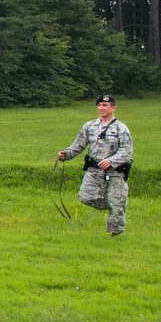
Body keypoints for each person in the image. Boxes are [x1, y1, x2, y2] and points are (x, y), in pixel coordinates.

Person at [57, 94, 134, 236]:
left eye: (105, 105)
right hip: (94, 170)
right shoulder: (90, 126)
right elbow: (78, 146)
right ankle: (113, 204)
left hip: (115, 172)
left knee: (116, 203)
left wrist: (111, 161)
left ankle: (116, 233)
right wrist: (66, 155)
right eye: (99, 105)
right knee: (85, 197)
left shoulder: (121, 128)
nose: (101, 108)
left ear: (113, 107)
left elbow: (127, 151)